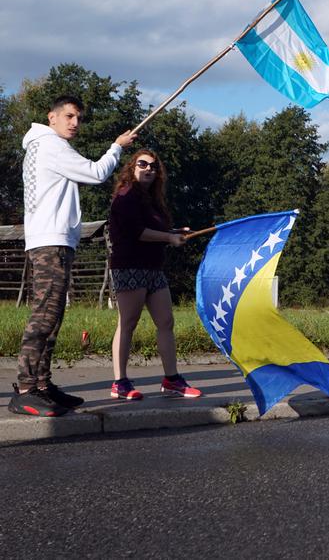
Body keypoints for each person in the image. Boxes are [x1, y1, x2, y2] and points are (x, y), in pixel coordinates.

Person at [9, 95, 136, 417]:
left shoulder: (43, 146)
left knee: (53, 316)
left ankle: (42, 384)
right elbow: (95, 173)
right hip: (50, 241)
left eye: (78, 117)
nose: (75, 123)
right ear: (51, 117)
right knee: (44, 315)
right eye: (69, 116)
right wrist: (117, 146)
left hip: (54, 239)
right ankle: (25, 389)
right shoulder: (51, 145)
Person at [108, 149, 201, 400]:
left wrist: (175, 230)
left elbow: (152, 229)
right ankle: (120, 382)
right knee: (128, 323)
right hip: (129, 266)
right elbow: (137, 232)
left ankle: (172, 379)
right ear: (132, 167)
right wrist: (169, 238)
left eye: (154, 166)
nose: (149, 169)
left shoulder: (153, 200)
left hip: (153, 268)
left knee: (166, 322)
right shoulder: (126, 196)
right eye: (143, 164)